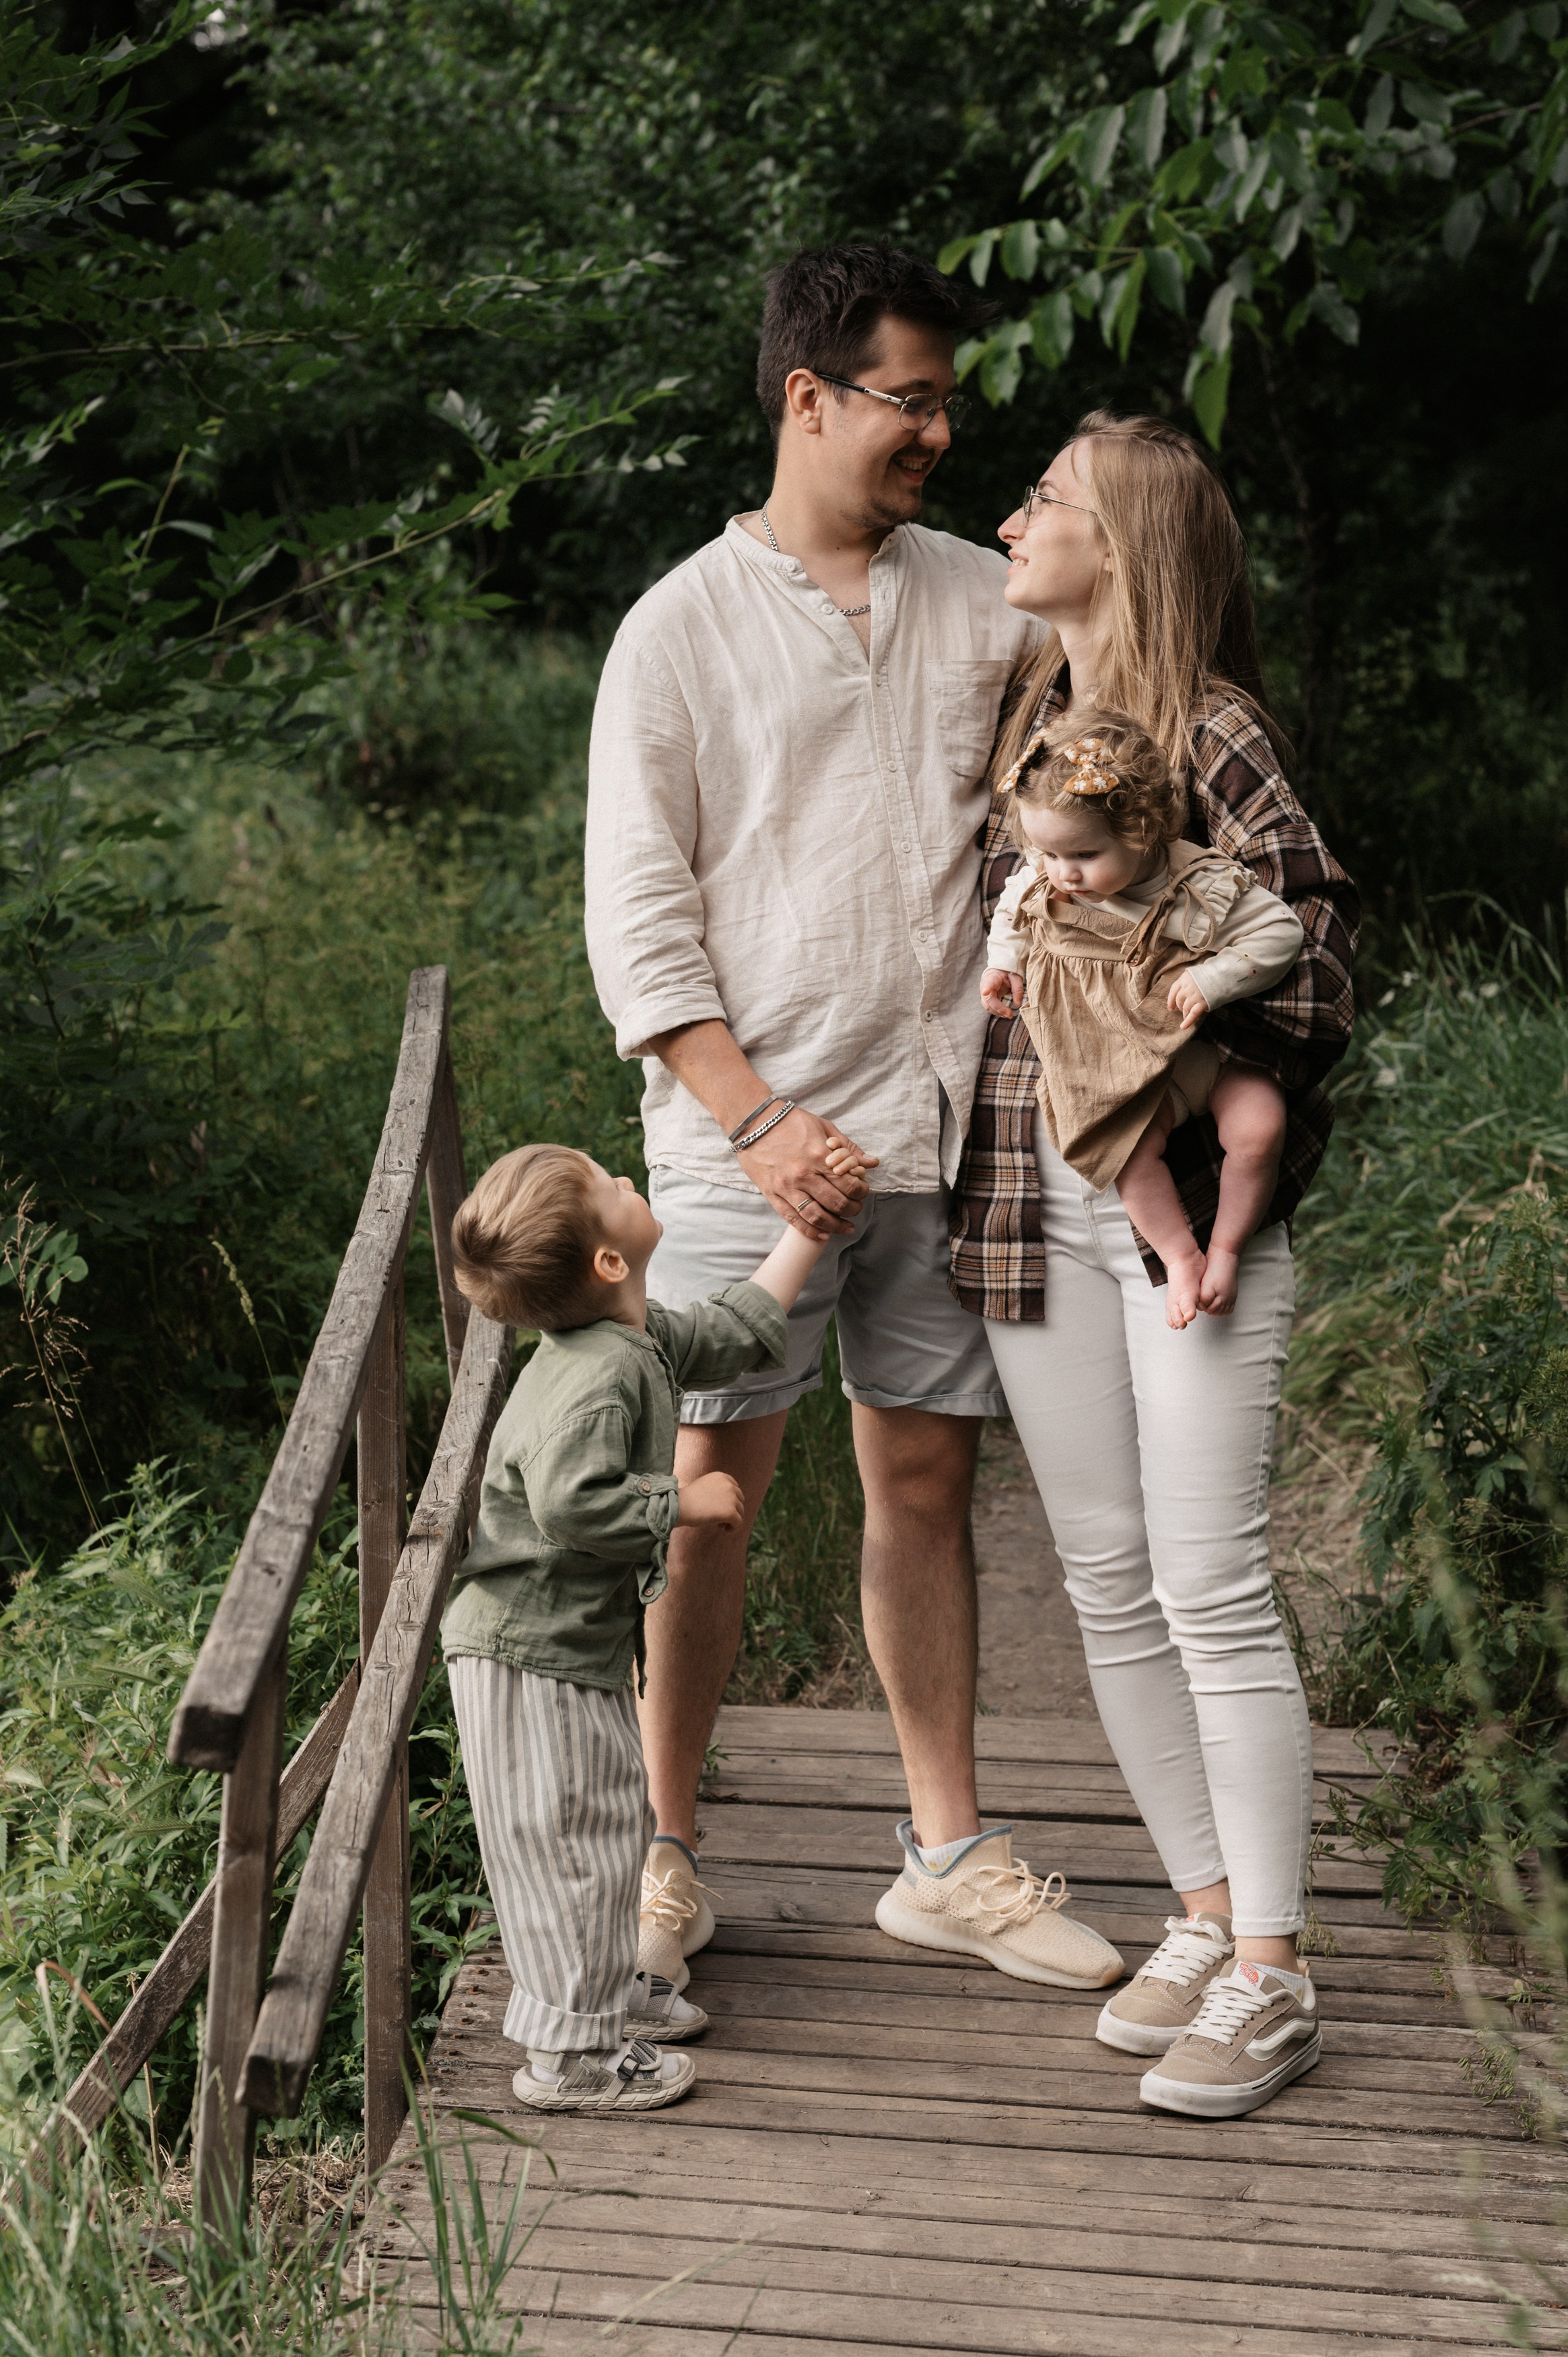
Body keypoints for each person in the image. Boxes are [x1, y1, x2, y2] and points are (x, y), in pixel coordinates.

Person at [584, 241, 1124, 1997]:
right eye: (912, 396)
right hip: (742, 1144)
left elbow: (1107, 784)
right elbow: (639, 918)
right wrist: (751, 1124)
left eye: (950, 400)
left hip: (949, 1126)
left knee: (924, 1471)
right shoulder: (677, 629)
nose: (941, 432)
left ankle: (943, 1852)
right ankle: (662, 1851)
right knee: (708, 1494)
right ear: (808, 396)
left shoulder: (988, 597)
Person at [951, 411, 1359, 2117]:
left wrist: (1216, 1043)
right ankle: (1198, 1916)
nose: (1011, 513)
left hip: (1175, 1199)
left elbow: (1321, 956)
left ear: (1117, 542)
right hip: (1031, 1199)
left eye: (1042, 497)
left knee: (1206, 1582)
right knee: (1105, 1577)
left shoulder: (1212, 730)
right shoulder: (1030, 715)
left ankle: (1271, 1971)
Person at [438, 1139, 851, 2113]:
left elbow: (732, 1332)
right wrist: (682, 1502)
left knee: (615, 1819)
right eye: (611, 1187)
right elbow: (570, 1504)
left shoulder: (636, 1338)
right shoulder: (597, 1380)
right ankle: (569, 2057)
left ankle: (602, 1997)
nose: (628, 1180)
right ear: (609, 1263)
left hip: (563, 1650)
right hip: (524, 1657)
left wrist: (805, 1233)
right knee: (568, 1840)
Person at [979, 708, 1305, 1329]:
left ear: (1142, 829)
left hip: (1201, 1054)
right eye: (1046, 852)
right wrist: (1005, 964)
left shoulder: (1196, 886)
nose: (1061, 873)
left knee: (1260, 1126)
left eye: (1082, 853)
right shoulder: (1045, 885)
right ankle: (1180, 1256)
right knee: (1128, 1149)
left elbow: (1279, 932)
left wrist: (1214, 978)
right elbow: (1011, 912)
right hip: (1124, 1068)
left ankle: (1228, 1249)